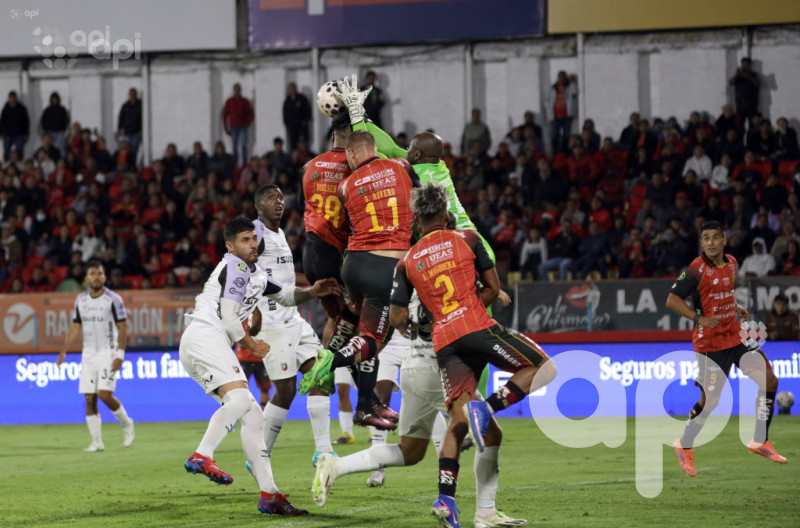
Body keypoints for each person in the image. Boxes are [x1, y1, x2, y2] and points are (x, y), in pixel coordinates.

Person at [387, 183, 555, 527]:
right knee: (544, 366)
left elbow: (397, 318)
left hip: (444, 342)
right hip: (476, 325)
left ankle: (450, 500)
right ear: (446, 214)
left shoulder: (406, 262)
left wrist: (425, 318)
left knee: (459, 423)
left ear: (417, 220)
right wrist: (471, 312)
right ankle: (487, 407)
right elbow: (494, 286)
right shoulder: (468, 238)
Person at [179, 215, 339, 515]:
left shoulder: (256, 274)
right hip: (206, 335)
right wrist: (254, 345)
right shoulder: (235, 266)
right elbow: (228, 318)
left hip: (203, 342)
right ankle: (203, 454)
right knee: (240, 400)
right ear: (230, 246)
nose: (252, 244)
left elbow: (287, 296)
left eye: (254, 238)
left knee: (253, 416)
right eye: (245, 240)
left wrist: (313, 291)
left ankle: (270, 494)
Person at [299, 129, 417, 431]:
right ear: (375, 148)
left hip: (352, 263)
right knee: (372, 340)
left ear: (351, 155)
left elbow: (351, 224)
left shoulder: (345, 185)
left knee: (351, 317)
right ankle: (328, 363)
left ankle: (366, 404)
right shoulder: (400, 167)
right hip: (387, 266)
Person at [667, 221, 786, 479]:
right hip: (710, 344)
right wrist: (698, 318)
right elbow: (672, 299)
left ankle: (760, 440)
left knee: (769, 380)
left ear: (724, 240)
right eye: (705, 238)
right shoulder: (696, 269)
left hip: (736, 336)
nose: (710, 242)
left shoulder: (731, 262)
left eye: (715, 237)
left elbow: (722, 293)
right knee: (711, 401)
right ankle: (685, 444)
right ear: (701, 243)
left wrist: (735, 307)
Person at [251, 184, 337, 467]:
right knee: (285, 392)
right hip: (273, 325)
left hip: (294, 318)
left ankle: (323, 451)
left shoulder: (279, 234)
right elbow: (242, 270)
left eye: (279, 197)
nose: (277, 201)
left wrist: (310, 288)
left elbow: (283, 281)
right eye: (269, 198)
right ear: (258, 206)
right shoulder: (256, 233)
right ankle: (259, 454)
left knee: (321, 372)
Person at [56, 260, 135, 452]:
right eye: (92, 273)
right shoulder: (80, 301)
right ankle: (97, 442)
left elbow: (122, 327)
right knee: (89, 398)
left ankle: (127, 423)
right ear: (86, 278)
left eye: (100, 273)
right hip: (88, 356)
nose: (96, 276)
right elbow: (76, 326)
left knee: (104, 395)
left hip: (108, 354)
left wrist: (120, 354)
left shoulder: (113, 299)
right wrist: (64, 350)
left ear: (104, 277)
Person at [235, 308, 273, 408]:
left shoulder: (264, 317)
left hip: (261, 358)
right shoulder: (241, 316)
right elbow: (238, 338)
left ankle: (264, 415)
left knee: (265, 388)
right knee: (239, 388)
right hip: (244, 358)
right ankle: (240, 413)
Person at [221, 83, 254, 166]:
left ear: (240, 90)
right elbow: (224, 115)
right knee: (234, 147)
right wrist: (226, 127)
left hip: (243, 126)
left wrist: (247, 123)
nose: (237, 91)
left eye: (238, 89)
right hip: (233, 126)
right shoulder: (229, 101)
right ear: (233, 90)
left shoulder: (245, 101)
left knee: (244, 145)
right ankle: (235, 164)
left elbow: (250, 113)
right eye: (236, 89)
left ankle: (245, 163)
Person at [546, 71, 577, 154]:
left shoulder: (570, 86)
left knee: (566, 136)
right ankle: (555, 153)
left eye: (563, 77)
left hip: (567, 115)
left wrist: (572, 82)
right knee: (555, 136)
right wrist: (549, 112)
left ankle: (565, 152)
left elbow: (575, 92)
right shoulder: (553, 88)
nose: (562, 79)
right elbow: (547, 100)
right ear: (558, 78)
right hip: (555, 116)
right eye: (560, 77)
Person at [0, 91, 30, 161]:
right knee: (6, 149)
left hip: (19, 133)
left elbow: (26, 121)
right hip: (7, 133)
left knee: (19, 150)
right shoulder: (5, 109)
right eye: (11, 98)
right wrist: (1, 132)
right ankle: (6, 164)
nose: (12, 99)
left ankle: (19, 163)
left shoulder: (22, 109)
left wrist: (26, 133)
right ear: (9, 98)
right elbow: (2, 121)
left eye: (14, 98)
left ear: (16, 98)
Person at [729, 57, 760, 123]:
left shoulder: (753, 74)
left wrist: (748, 76)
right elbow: (730, 82)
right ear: (741, 65)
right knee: (739, 123)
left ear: (749, 65)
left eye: (747, 64)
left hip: (752, 103)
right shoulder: (738, 76)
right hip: (740, 104)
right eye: (743, 64)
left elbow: (757, 83)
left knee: (753, 123)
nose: (745, 66)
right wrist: (737, 74)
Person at [282, 83, 311, 152]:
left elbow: (307, 111)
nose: (292, 90)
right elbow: (285, 113)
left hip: (302, 127)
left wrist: (305, 121)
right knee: (293, 143)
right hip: (291, 127)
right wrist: (287, 123)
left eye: (293, 88)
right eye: (290, 89)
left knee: (303, 142)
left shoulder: (302, 99)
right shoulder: (287, 101)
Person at [40, 91, 69, 156]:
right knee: (50, 148)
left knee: (61, 148)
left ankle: (61, 161)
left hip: (59, 132)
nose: (54, 100)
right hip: (50, 132)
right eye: (53, 99)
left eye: (56, 98)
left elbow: (65, 120)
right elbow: (43, 121)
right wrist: (46, 131)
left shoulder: (62, 109)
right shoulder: (47, 109)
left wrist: (63, 129)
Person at [117, 88, 142, 159]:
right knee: (126, 149)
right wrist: (119, 128)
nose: (132, 95)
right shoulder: (125, 106)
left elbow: (143, 118)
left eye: (134, 94)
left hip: (137, 132)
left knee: (134, 148)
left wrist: (141, 130)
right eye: (131, 94)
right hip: (126, 131)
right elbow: (121, 117)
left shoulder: (141, 105)